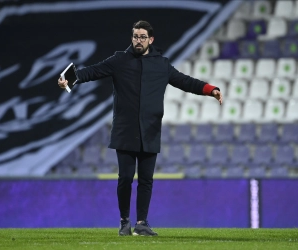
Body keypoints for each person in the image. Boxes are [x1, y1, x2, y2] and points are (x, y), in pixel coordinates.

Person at [58, 20, 223, 236]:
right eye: (135, 36)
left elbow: (186, 82)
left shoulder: (161, 64)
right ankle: (124, 222)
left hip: (150, 130)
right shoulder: (119, 60)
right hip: (125, 130)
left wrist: (211, 89)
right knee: (125, 177)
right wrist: (69, 79)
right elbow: (92, 71)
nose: (138, 40)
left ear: (150, 40)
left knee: (146, 180)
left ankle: (142, 223)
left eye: (142, 37)